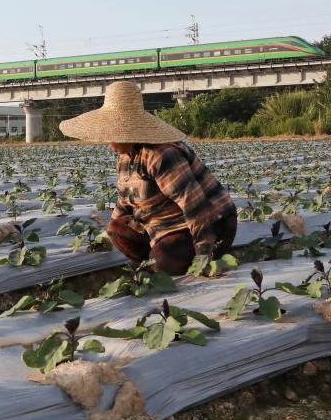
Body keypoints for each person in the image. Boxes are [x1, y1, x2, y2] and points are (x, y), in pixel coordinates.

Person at [59, 81, 237, 275]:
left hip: (213, 223)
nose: (111, 144)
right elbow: (124, 201)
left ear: (129, 133)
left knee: (163, 263)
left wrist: (204, 252)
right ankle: (154, 264)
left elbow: (193, 204)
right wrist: (105, 237)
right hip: (163, 224)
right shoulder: (126, 157)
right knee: (117, 228)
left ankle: (167, 264)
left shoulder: (162, 154)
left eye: (114, 135)